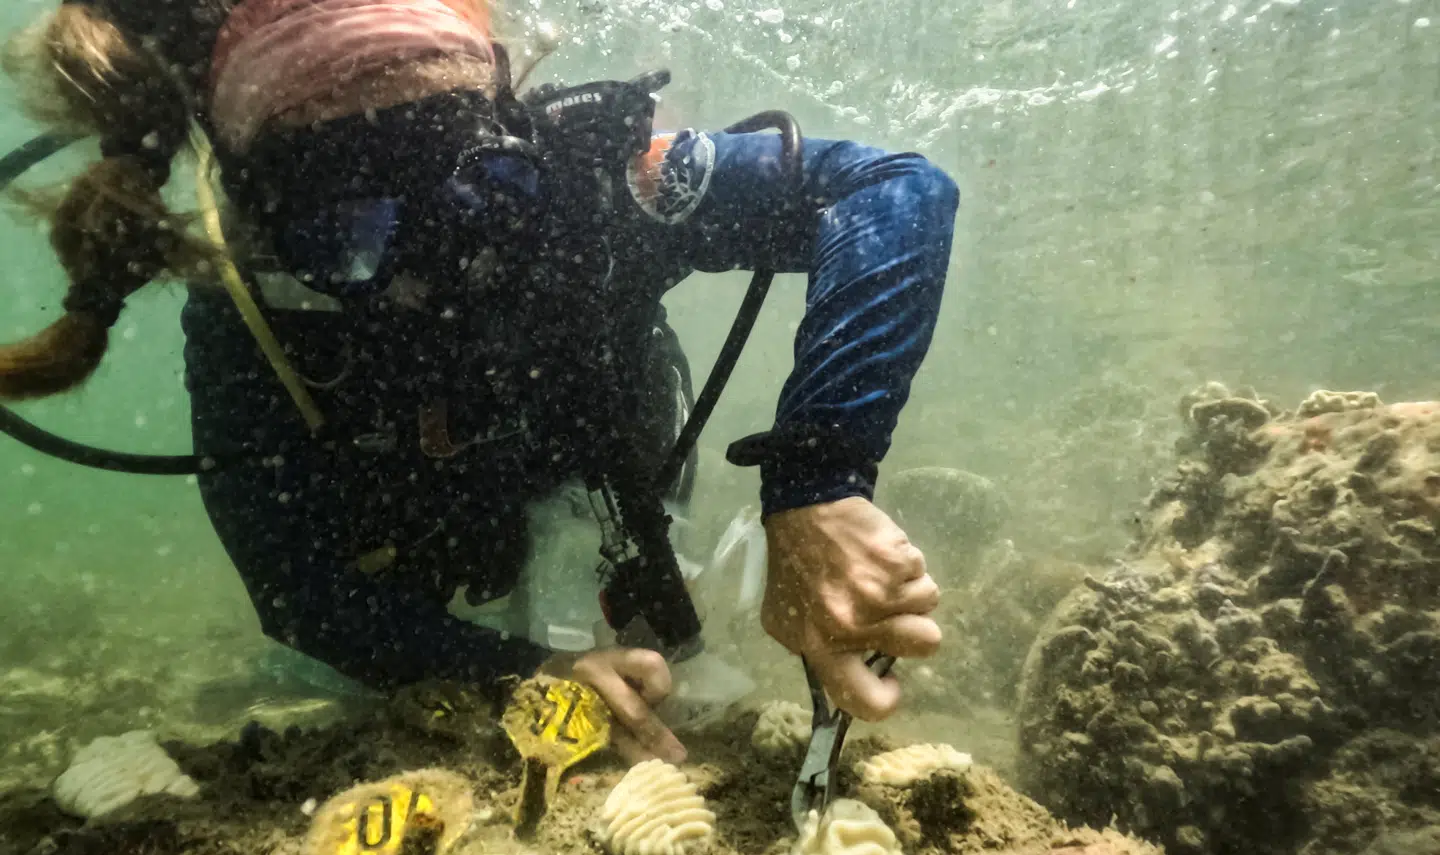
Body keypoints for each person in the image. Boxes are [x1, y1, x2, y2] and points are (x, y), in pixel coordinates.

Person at [0, 0, 957, 764]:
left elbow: (892, 190)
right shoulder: (249, 313)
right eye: (346, 226)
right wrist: (520, 671)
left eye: (474, 195)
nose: (426, 265)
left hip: (591, 461)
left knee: (652, 640)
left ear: (515, 125)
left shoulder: (593, 182)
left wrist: (819, 478)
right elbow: (296, 591)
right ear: (257, 216)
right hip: (412, 547)